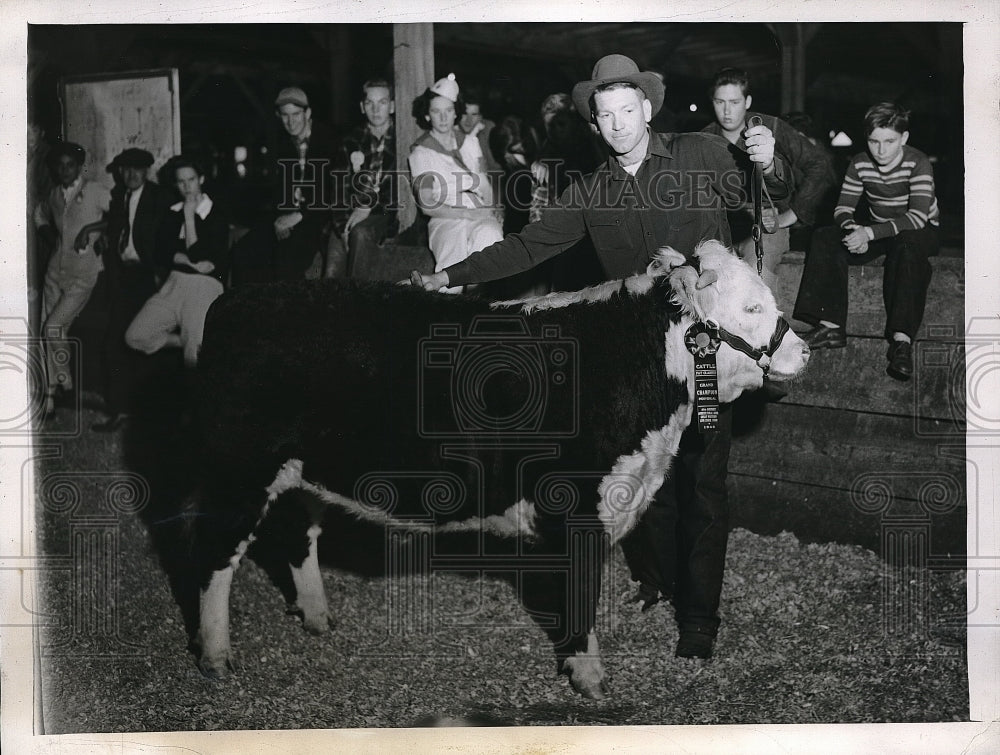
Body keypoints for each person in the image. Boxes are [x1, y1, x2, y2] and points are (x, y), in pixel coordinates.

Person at [412, 54, 789, 659]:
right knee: (651, 482)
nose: (616, 124)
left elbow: (760, 198)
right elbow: (528, 246)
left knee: (704, 482)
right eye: (604, 114)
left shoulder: (698, 155)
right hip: (642, 363)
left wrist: (767, 162)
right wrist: (449, 277)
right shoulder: (590, 191)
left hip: (708, 353)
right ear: (596, 121)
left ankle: (699, 620)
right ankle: (659, 583)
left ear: (646, 109)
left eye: (626, 111)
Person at [793, 102, 939, 381]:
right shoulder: (860, 162)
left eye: (890, 141)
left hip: (919, 231)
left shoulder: (917, 162)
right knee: (825, 235)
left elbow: (918, 217)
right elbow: (842, 209)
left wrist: (868, 234)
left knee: (907, 246)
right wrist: (853, 230)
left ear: (904, 139)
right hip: (878, 230)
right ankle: (830, 325)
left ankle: (901, 342)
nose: (881, 150)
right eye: (874, 141)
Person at [702, 67, 835, 289]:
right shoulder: (703, 138)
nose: (727, 111)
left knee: (756, 278)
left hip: (766, 227)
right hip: (723, 229)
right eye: (719, 102)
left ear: (748, 101)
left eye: (734, 102)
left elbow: (820, 164)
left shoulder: (772, 126)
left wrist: (792, 215)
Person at [92, 148, 172, 433]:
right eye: (125, 170)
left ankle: (153, 415)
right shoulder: (120, 197)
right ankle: (121, 410)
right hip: (123, 279)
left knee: (146, 343)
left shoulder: (160, 198)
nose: (130, 175)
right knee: (114, 344)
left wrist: (164, 275)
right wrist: (104, 238)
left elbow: (170, 235)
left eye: (136, 169)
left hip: (149, 278)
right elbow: (119, 229)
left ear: (147, 171)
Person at [126, 156, 229, 368]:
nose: (186, 186)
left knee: (194, 358)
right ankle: (186, 340)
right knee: (136, 335)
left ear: (201, 179)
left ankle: (194, 346)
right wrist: (190, 263)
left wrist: (189, 217)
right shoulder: (172, 212)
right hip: (174, 283)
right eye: (180, 182)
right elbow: (161, 253)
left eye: (191, 179)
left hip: (205, 286)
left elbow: (198, 254)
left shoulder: (216, 212)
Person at [34, 141, 112, 417]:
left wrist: (92, 228)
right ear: (55, 169)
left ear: (79, 167)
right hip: (55, 271)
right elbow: (40, 215)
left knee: (53, 328)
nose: (66, 170)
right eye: (60, 165)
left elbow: (119, 216)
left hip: (84, 273)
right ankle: (52, 395)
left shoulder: (94, 190)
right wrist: (52, 239)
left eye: (70, 165)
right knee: (49, 328)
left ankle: (65, 383)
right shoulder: (54, 195)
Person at [408, 73, 503, 293]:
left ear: (455, 113)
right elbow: (428, 204)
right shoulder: (422, 152)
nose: (443, 118)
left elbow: (483, 183)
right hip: (446, 219)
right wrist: (467, 215)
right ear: (427, 115)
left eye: (448, 111)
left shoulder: (470, 142)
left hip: (479, 212)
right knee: (452, 271)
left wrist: (493, 209)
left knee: (491, 237)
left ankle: (480, 307)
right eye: (436, 112)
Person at [232, 86, 337, 284]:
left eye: (296, 114)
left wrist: (297, 216)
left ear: (308, 113)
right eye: (285, 115)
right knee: (243, 250)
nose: (291, 121)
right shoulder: (284, 146)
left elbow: (331, 190)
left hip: (319, 214)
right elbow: (281, 191)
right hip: (290, 213)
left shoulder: (328, 139)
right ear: (278, 116)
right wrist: (281, 218)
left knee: (287, 257)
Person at [333, 78, 399, 278]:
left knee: (360, 234)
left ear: (392, 106)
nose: (376, 109)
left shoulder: (402, 138)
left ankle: (356, 304)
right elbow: (339, 189)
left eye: (382, 102)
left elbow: (398, 190)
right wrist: (343, 226)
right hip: (351, 215)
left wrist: (367, 207)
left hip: (385, 215)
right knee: (331, 271)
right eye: (370, 103)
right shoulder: (351, 140)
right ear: (362, 107)